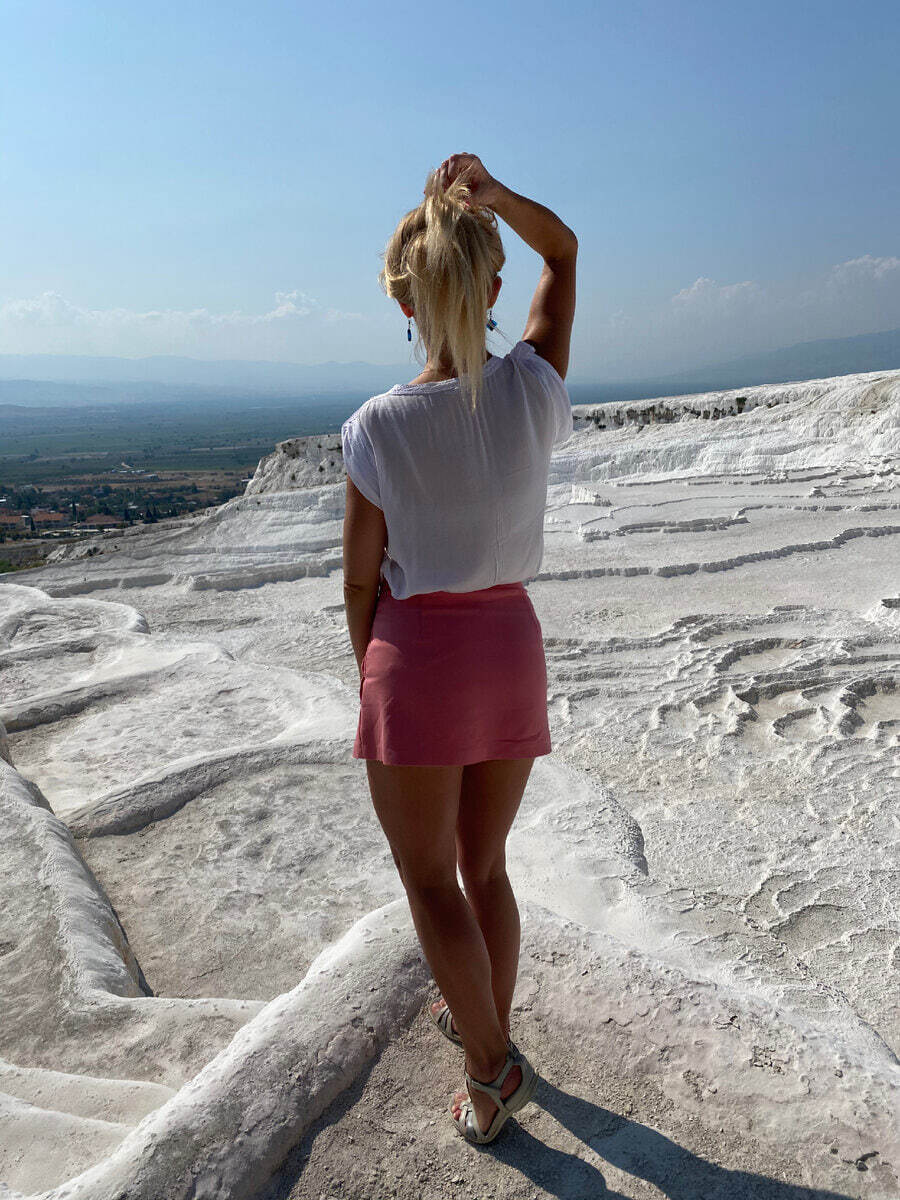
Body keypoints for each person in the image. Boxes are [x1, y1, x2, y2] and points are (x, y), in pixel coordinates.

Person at [341, 152, 576, 1145]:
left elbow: (361, 580)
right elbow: (562, 254)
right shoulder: (533, 387)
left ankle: (491, 1062)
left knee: (430, 881)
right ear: (490, 288)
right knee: (486, 868)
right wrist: (498, 197)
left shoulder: (375, 428)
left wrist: (372, 674)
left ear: (405, 301)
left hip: (420, 661)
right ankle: (486, 1049)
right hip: (511, 648)